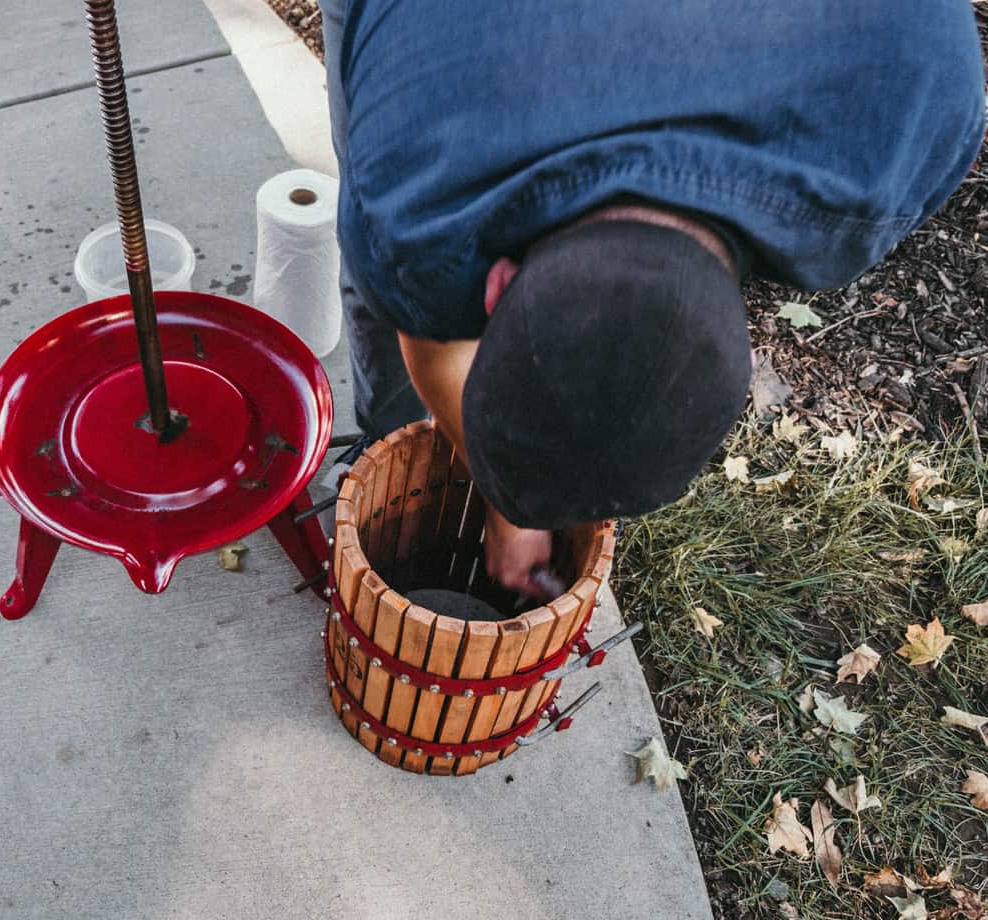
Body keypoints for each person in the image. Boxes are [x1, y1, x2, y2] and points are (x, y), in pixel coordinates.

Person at [317, 0, 985, 596]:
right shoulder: (414, 196)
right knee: (394, 277)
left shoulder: (912, 120)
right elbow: (432, 343)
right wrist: (510, 508)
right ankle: (388, 440)